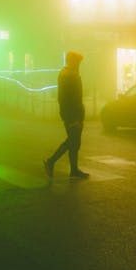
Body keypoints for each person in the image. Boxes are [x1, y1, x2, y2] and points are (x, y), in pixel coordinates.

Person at [44, 51, 89, 179]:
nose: (79, 64)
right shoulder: (69, 75)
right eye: (78, 62)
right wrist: (75, 117)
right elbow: (70, 98)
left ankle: (73, 170)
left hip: (72, 113)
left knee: (75, 142)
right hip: (72, 114)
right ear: (72, 61)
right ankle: (51, 161)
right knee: (72, 141)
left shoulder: (69, 74)